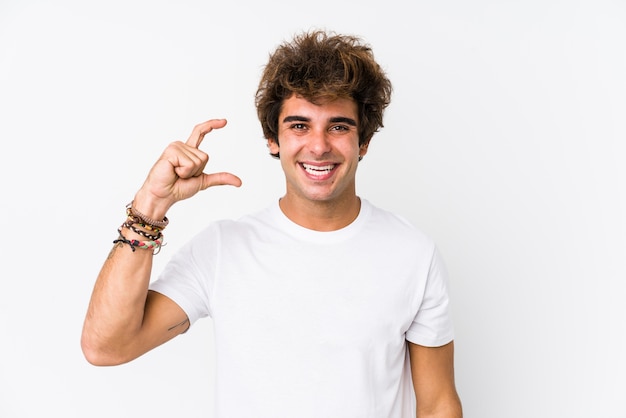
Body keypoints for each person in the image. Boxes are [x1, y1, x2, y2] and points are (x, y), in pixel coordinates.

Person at [81, 29, 463, 417]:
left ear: (363, 142)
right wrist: (149, 207)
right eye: (299, 125)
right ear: (272, 138)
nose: (318, 145)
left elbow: (438, 404)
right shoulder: (222, 249)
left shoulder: (412, 253)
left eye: (339, 126)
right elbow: (106, 346)